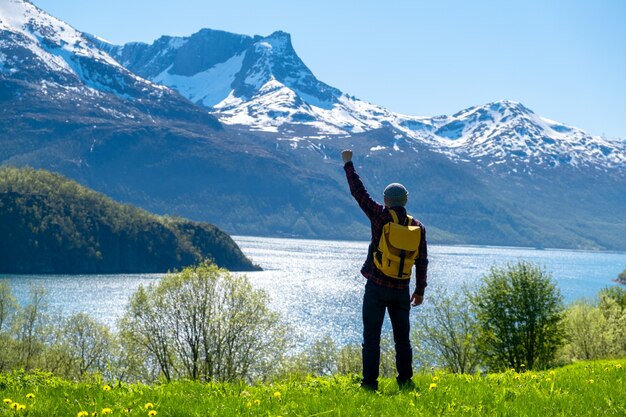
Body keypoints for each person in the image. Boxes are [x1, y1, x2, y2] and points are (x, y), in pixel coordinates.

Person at [341, 149, 428, 390]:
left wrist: (348, 163)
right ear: (406, 200)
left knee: (371, 338)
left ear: (386, 200)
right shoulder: (417, 227)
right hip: (402, 289)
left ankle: (369, 383)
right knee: (403, 339)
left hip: (376, 287)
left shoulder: (380, 216)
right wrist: (419, 291)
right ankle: (405, 381)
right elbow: (422, 262)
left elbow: (358, 193)